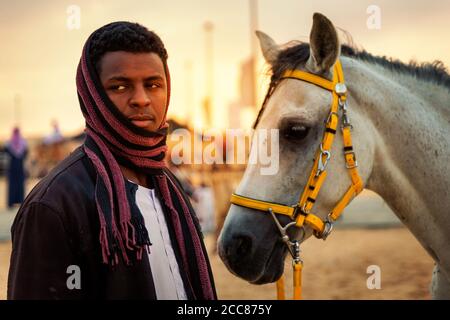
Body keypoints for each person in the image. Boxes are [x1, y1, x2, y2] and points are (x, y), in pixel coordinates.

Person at [8, 22, 216, 300]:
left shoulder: (169, 188)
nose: (141, 99)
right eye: (120, 86)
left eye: (153, 85)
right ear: (93, 95)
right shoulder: (53, 205)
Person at [3, 127, 28, 209]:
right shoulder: (9, 143)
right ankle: (12, 202)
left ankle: (20, 201)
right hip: (13, 168)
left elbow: (25, 154)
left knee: (20, 184)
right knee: (13, 185)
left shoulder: (22, 143)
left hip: (19, 168)